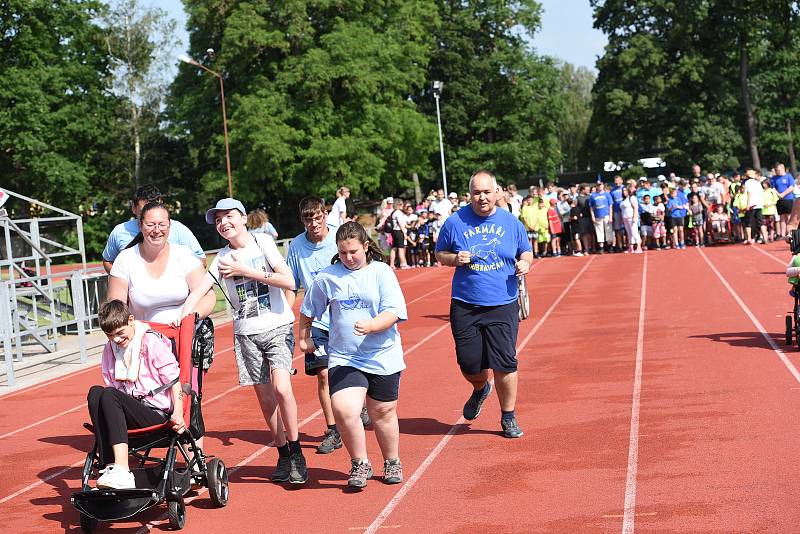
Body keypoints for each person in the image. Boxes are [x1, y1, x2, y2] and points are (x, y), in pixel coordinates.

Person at [179, 198, 307, 484]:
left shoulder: (263, 243)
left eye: (229, 217)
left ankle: (297, 451)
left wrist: (246, 272)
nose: (224, 223)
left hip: (277, 326)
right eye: (219, 220)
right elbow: (200, 289)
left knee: (282, 388)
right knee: (265, 399)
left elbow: (289, 282)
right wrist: (182, 315)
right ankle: (283, 452)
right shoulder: (221, 258)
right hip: (246, 333)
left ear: (243, 217)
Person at [300, 222, 408, 489]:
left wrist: (372, 325)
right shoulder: (328, 277)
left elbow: (393, 311)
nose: (349, 257)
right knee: (345, 410)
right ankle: (360, 463)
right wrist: (304, 337)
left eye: (354, 252)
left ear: (366, 246)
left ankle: (392, 460)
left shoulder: (381, 272)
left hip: (382, 354)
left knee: (382, 411)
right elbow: (307, 309)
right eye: (343, 252)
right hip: (345, 356)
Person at [435, 170, 533, 439]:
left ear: (496, 192)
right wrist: (454, 259)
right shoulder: (455, 222)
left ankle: (508, 416)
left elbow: (526, 249)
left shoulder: (510, 222)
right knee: (469, 364)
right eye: (477, 192)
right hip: (465, 304)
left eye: (487, 192)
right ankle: (480, 388)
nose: (482, 197)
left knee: (505, 362)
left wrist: (525, 262)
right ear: (470, 194)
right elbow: (440, 253)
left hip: (503, 303)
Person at [87, 300, 186, 489]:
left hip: (156, 413)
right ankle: (108, 465)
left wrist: (179, 413)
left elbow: (174, 380)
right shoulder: (110, 349)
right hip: (129, 410)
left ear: (130, 320)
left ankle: (122, 468)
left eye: (120, 333)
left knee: (109, 394)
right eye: (110, 336)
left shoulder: (151, 342)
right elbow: (111, 386)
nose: (115, 340)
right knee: (95, 393)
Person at [106, 201, 214, 323]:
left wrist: (190, 317)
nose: (157, 230)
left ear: (169, 226)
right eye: (150, 225)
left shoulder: (185, 255)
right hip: (144, 336)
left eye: (162, 224)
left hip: (185, 332)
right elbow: (116, 309)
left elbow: (208, 296)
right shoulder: (125, 259)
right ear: (140, 226)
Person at [102, 184, 205, 274]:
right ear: (134, 208)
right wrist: (123, 281)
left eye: (153, 209)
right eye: (144, 211)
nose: (149, 215)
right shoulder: (119, 231)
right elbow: (108, 261)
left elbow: (201, 260)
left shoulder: (178, 229)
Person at [741, 169, 767, 244]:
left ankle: (749, 239)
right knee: (760, 222)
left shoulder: (747, 183)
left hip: (752, 204)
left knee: (748, 222)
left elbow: (749, 193)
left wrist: (748, 204)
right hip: (759, 204)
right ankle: (765, 237)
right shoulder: (758, 183)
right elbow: (761, 193)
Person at [771, 163, 795, 238]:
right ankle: (782, 234)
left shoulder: (788, 176)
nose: (777, 171)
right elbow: (773, 188)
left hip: (788, 199)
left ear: (783, 168)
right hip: (779, 200)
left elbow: (791, 187)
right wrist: (778, 194)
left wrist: (783, 194)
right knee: (781, 217)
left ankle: (790, 233)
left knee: (788, 217)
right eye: (776, 170)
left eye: (779, 170)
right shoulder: (774, 178)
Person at [589, 182, 613, 253]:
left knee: (608, 230)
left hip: (606, 214)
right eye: (598, 186)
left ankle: (609, 246)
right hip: (597, 215)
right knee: (599, 231)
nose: (599, 187)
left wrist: (610, 216)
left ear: (603, 186)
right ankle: (601, 247)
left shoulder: (607, 194)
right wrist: (592, 216)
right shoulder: (593, 195)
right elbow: (591, 207)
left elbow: (610, 206)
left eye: (600, 185)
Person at [620, 186, 642, 253]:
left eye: (625, 190)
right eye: (623, 191)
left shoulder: (632, 198)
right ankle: (631, 247)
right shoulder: (623, 200)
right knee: (629, 233)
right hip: (625, 218)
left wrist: (635, 216)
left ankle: (639, 247)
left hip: (631, 217)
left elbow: (635, 207)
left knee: (634, 232)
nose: (624, 192)